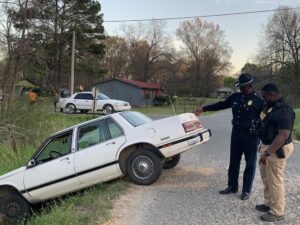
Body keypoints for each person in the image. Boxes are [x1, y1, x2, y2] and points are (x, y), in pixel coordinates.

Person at [195, 73, 264, 200]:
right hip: (237, 133)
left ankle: (246, 190)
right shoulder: (235, 97)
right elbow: (221, 105)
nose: (241, 89)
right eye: (240, 87)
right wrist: (204, 109)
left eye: (243, 87)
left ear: (250, 85)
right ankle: (232, 186)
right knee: (234, 161)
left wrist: (262, 133)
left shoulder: (259, 100)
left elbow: (265, 117)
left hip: (251, 135)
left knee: (250, 163)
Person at [256, 83, 295, 222]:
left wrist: (267, 153)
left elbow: (283, 135)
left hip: (276, 149)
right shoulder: (271, 107)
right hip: (268, 147)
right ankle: (269, 204)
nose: (263, 99)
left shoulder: (283, 111)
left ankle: (277, 212)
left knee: (274, 181)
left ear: (272, 95)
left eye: (265, 96)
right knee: (266, 178)